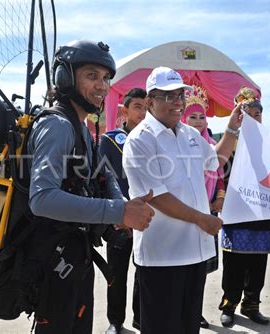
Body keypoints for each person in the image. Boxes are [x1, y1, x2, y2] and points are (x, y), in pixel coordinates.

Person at [27, 40, 154, 334]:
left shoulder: (82, 127)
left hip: (75, 254)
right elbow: (42, 199)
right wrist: (118, 211)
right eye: (92, 75)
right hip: (55, 259)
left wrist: (121, 204)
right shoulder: (58, 125)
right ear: (65, 78)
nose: (102, 86)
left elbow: (103, 174)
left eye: (106, 78)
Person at [122, 66, 241, 334]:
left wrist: (232, 129)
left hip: (194, 252)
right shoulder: (140, 140)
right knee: (162, 328)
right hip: (163, 255)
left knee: (188, 327)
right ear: (151, 101)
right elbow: (157, 197)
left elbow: (216, 161)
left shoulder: (190, 134)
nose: (178, 102)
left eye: (180, 95)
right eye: (169, 96)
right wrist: (203, 219)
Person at [218, 87, 270, 327]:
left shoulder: (269, 143)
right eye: (248, 113)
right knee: (234, 267)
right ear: (238, 115)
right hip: (237, 214)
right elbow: (219, 176)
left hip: (262, 214)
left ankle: (252, 304)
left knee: (258, 266)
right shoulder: (229, 142)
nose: (254, 118)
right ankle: (229, 304)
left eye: (257, 114)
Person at [99, 88, 147, 334]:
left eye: (146, 106)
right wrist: (118, 213)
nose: (143, 111)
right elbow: (104, 179)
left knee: (145, 271)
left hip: (147, 219)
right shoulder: (109, 141)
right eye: (137, 106)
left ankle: (141, 318)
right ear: (125, 111)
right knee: (116, 273)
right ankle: (115, 321)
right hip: (119, 219)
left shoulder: (153, 140)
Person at [181, 84, 226, 329]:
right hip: (185, 212)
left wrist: (219, 197)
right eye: (193, 117)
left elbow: (219, 173)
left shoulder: (212, 143)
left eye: (201, 117)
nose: (198, 122)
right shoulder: (181, 142)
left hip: (209, 210)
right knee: (183, 266)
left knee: (202, 268)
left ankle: (194, 311)